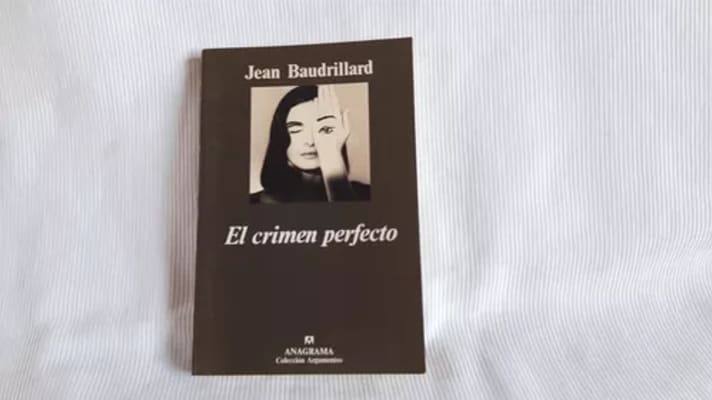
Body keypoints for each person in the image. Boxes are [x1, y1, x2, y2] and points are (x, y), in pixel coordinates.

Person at [250, 84, 370, 203]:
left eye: (325, 129)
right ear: (280, 138)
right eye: (296, 130)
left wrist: (331, 157)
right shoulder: (251, 202)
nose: (310, 141)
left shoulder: (368, 195)